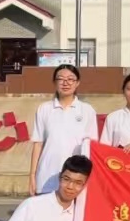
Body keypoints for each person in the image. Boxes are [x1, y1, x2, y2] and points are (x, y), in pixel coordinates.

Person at [29, 64, 99, 196]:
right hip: (47, 175)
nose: (65, 83)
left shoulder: (87, 110)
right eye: (61, 79)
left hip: (76, 178)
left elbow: (91, 146)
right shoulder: (44, 109)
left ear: (77, 83)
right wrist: (32, 175)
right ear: (54, 82)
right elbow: (38, 144)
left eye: (70, 79)